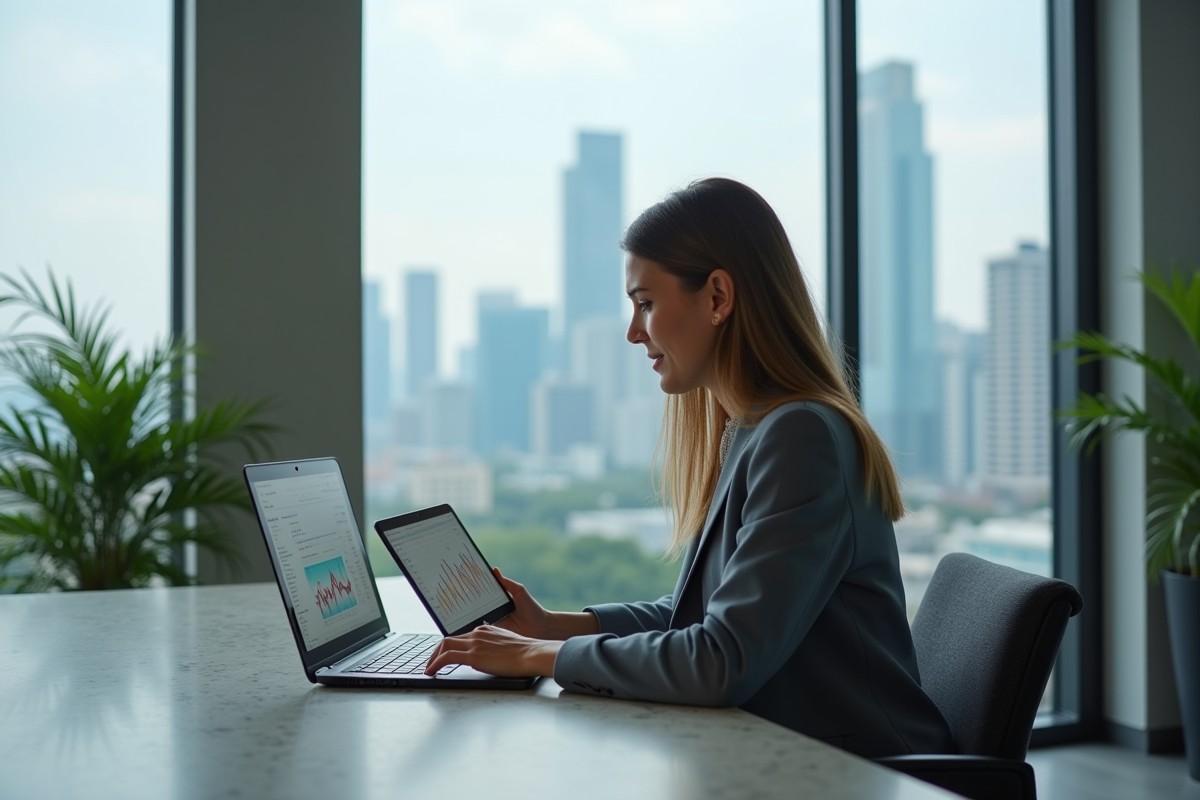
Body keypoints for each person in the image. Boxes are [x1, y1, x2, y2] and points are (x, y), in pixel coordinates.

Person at [425, 177, 955, 758]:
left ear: (718, 297)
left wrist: (537, 656)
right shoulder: (754, 429)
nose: (634, 332)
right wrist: (552, 627)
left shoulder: (801, 437)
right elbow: (698, 618)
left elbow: (721, 660)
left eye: (646, 304)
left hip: (861, 772)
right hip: (784, 754)